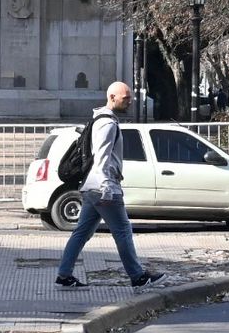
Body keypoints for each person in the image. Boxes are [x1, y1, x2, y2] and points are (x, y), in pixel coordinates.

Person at [55, 81, 165, 291]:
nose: (130, 101)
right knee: (123, 231)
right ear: (112, 97)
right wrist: (107, 187)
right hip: (103, 188)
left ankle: (64, 275)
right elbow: (102, 158)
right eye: (126, 98)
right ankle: (138, 277)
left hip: (92, 187)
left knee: (81, 233)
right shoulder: (107, 124)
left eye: (130, 97)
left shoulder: (102, 119)